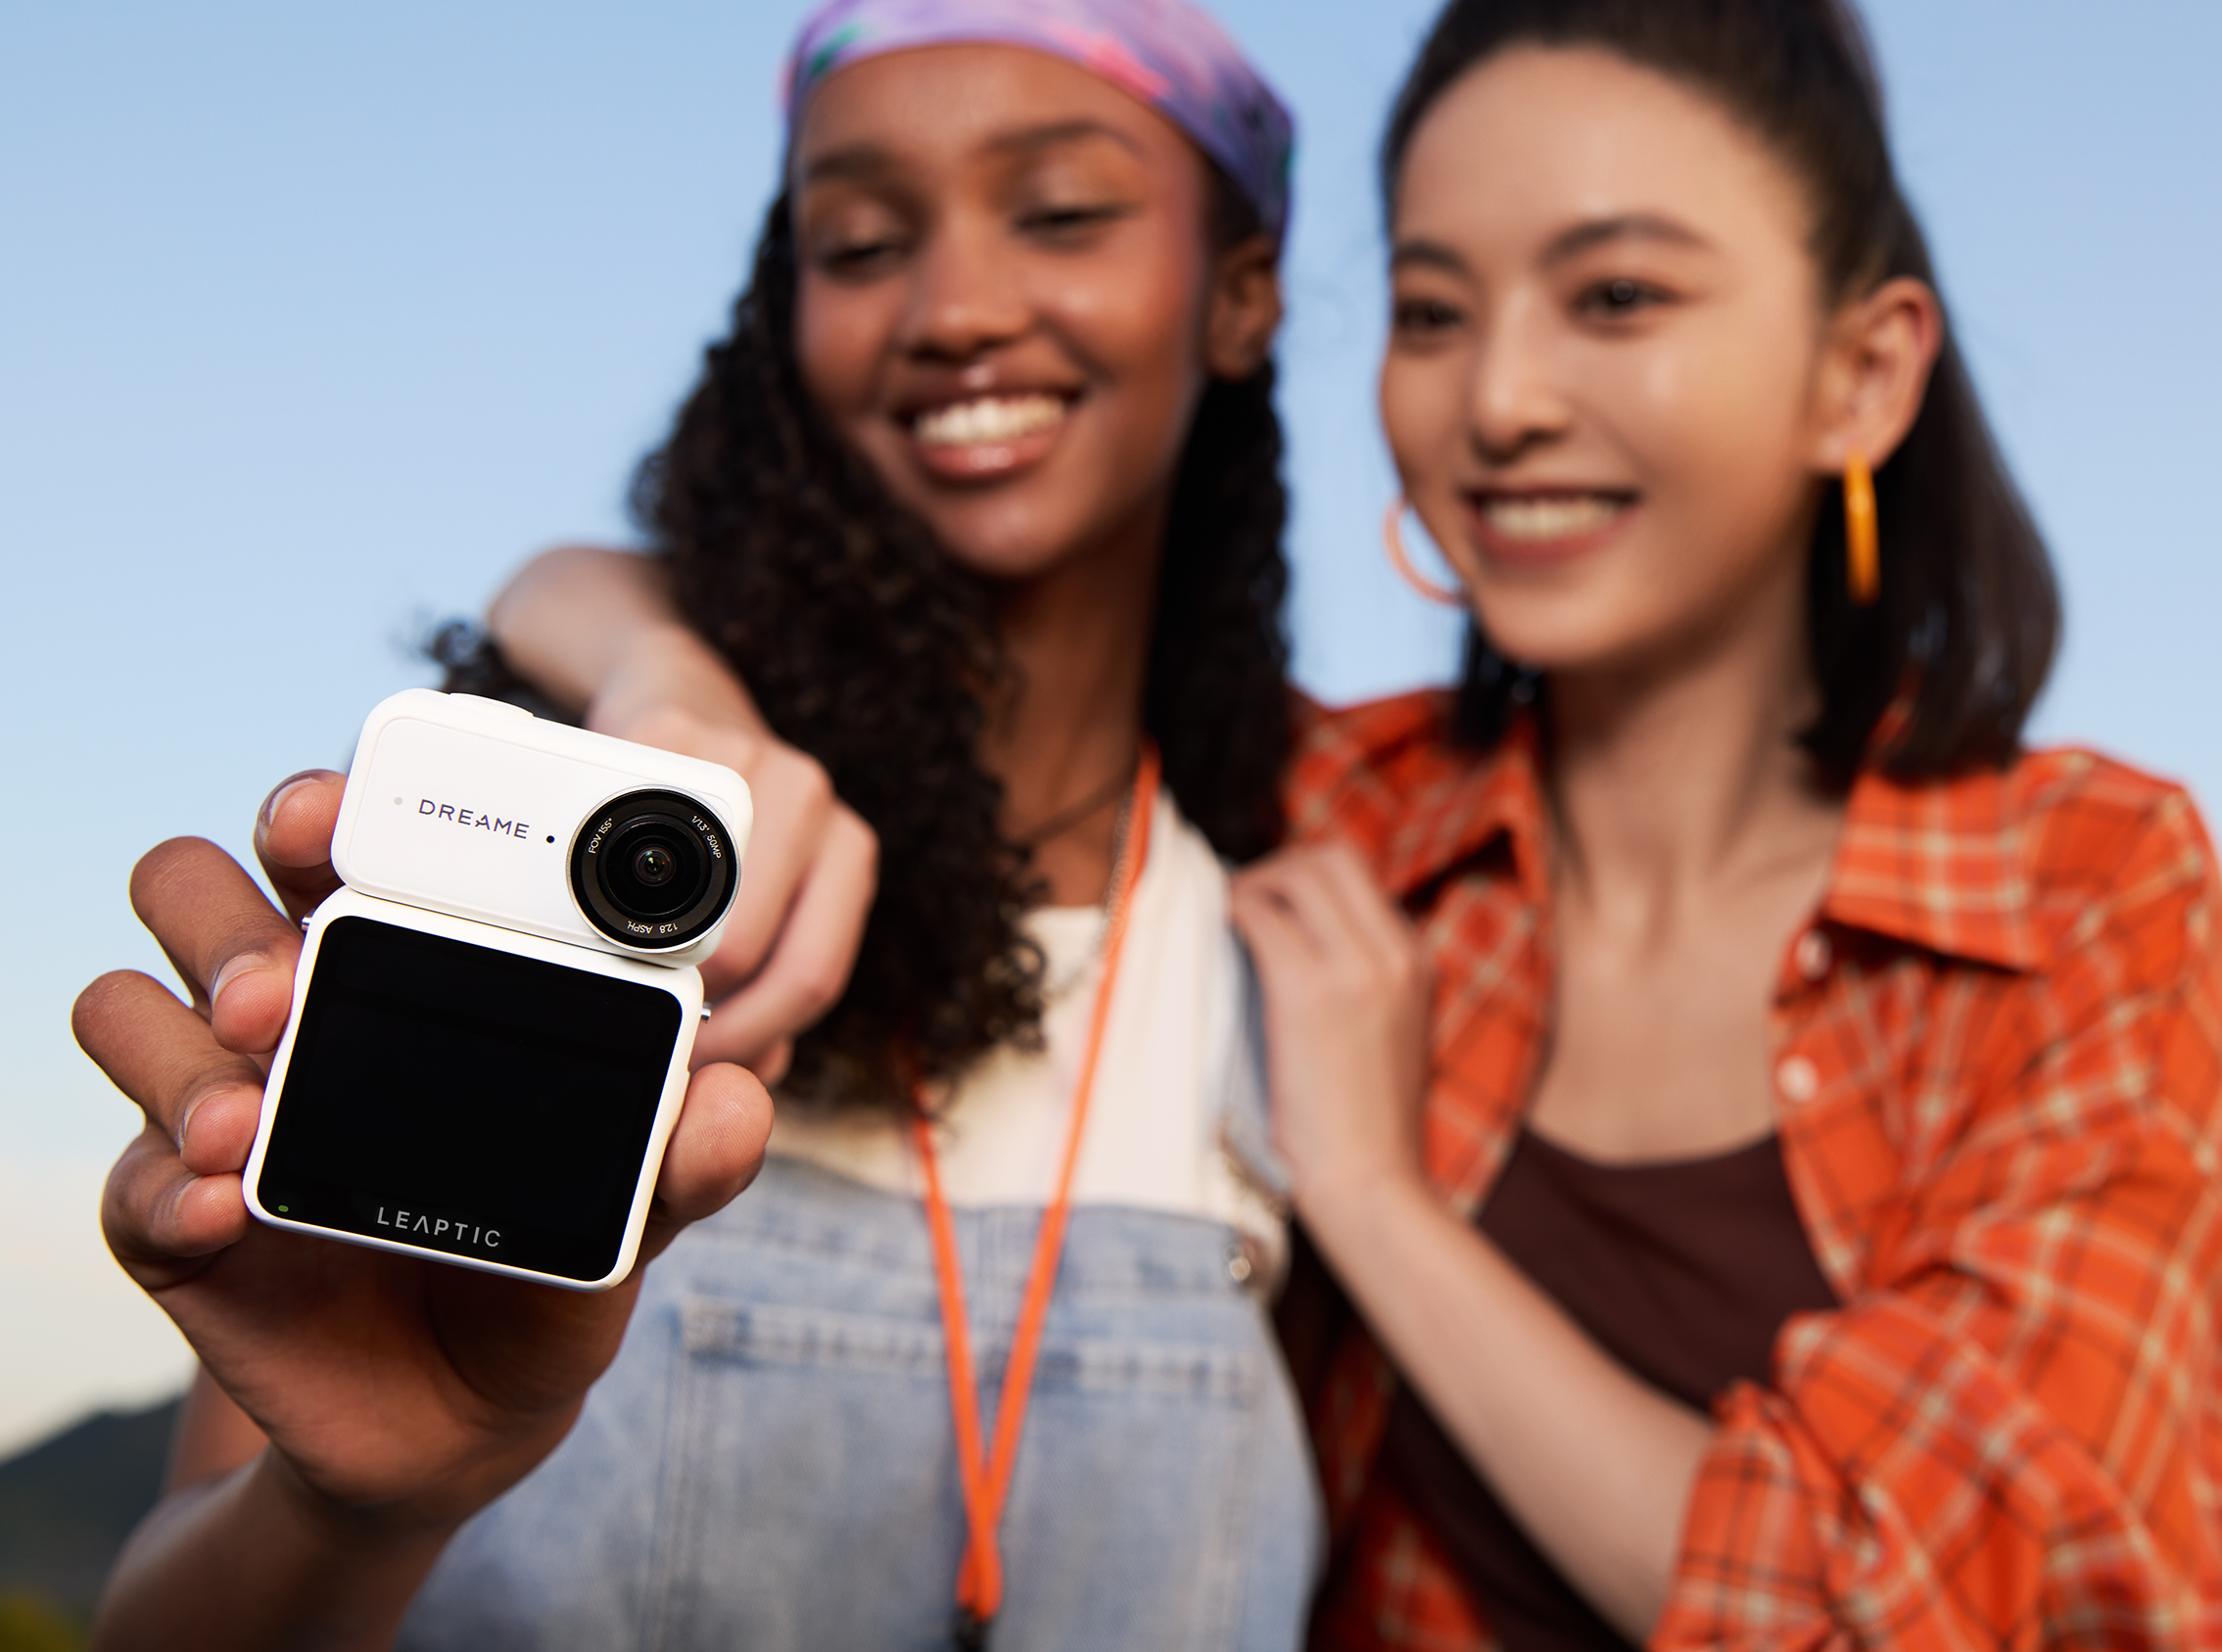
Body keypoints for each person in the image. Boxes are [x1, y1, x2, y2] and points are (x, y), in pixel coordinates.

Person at [512, 0, 2222, 1645]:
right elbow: (582, 589)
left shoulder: (2079, 877)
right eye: (1430, 309)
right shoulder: (1333, 818)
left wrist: (1386, 1209)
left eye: (1618, 297)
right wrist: (670, 683)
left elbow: (1882, 1609)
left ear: (1861, 371)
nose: (1496, 399)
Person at [71, 1, 1320, 1646]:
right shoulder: (605, 863)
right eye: (861, 240)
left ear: (1239, 295)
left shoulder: (1315, 929)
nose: (952, 307)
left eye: (1065, 211)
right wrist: (357, 1508)